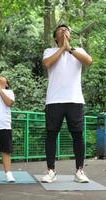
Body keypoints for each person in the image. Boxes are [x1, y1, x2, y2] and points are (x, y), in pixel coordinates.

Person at [41, 24, 93, 183]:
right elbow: (47, 64)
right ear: (55, 37)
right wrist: (62, 48)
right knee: (51, 134)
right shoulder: (49, 51)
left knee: (77, 135)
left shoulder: (78, 51)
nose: (64, 31)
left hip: (75, 100)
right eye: (60, 30)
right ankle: (50, 171)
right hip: (54, 100)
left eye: (66, 30)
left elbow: (88, 61)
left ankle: (80, 171)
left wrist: (69, 49)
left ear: (70, 35)